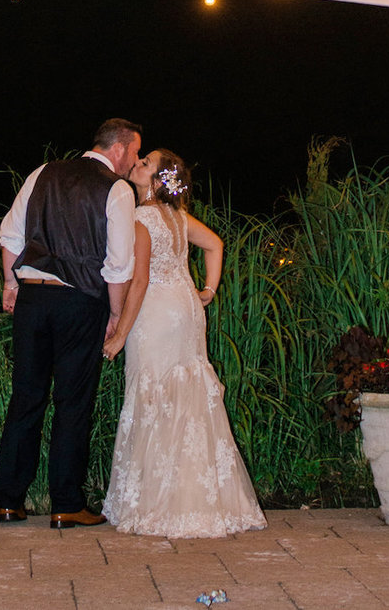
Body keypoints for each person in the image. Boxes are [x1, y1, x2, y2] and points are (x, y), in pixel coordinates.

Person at [101, 149, 265, 538]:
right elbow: (215, 245)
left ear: (158, 181)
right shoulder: (177, 217)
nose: (137, 165)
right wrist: (207, 288)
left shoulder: (141, 218)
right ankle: (200, 500)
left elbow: (138, 281)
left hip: (157, 313)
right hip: (188, 308)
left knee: (155, 393)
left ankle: (160, 502)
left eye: (145, 164)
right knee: (187, 394)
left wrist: (120, 334)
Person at [0, 116, 142, 529]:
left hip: (34, 298)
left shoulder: (44, 172)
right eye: (134, 152)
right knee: (72, 403)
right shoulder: (117, 189)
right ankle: (65, 502)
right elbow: (118, 266)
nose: (134, 161)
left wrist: (11, 283)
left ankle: (9, 501)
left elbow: (10, 236)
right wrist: (115, 314)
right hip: (81, 303)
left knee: (26, 396)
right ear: (119, 148)